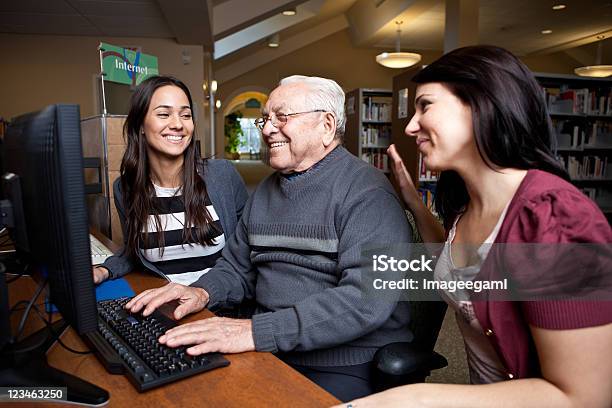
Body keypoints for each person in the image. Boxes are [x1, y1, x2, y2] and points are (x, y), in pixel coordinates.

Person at [338, 45, 612, 407]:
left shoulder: (554, 218)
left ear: (481, 104)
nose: (410, 125)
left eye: (426, 105)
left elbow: (583, 397)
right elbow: (456, 262)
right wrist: (413, 201)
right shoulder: (468, 202)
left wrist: (416, 398)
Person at [125, 75, 414, 402]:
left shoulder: (368, 193)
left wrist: (255, 332)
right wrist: (202, 292)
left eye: (282, 117)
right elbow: (236, 268)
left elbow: (364, 302)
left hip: (343, 362)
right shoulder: (265, 191)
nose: (266, 129)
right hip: (271, 347)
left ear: (326, 125)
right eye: (266, 119)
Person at [93, 75, 248, 287]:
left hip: (218, 307)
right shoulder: (126, 188)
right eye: (164, 114)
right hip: (164, 306)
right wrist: (104, 270)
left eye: (185, 115)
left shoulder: (223, 176)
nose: (178, 124)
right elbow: (133, 253)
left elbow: (247, 252)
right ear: (140, 126)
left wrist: (203, 294)